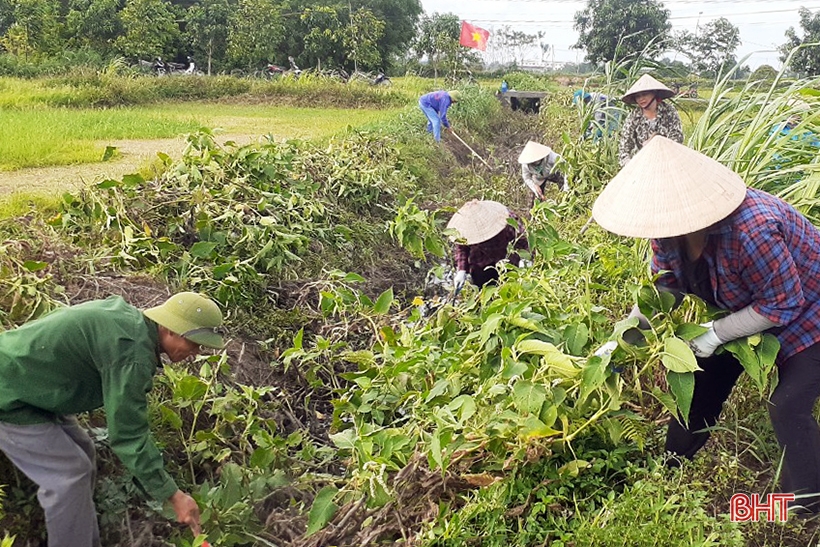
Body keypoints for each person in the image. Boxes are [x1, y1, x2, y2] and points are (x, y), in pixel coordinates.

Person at [592, 135, 820, 515]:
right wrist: (620, 341)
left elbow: (783, 304)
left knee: (787, 404)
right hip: (747, 309)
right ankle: (669, 469)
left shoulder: (751, 229)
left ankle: (808, 505)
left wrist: (716, 334)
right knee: (700, 384)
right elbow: (663, 291)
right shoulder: (666, 234)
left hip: (810, 310)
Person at [0, 291, 225, 546]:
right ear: (170, 329)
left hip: (31, 388)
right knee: (70, 474)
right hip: (9, 396)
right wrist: (173, 496)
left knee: (84, 452)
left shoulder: (129, 323)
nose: (195, 352)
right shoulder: (132, 354)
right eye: (193, 343)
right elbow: (128, 435)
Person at [447, 200, 529, 289]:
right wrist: (461, 270)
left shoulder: (504, 216)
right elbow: (462, 247)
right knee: (485, 293)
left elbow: (522, 238)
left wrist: (525, 258)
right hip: (480, 262)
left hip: (507, 259)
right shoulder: (464, 227)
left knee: (511, 290)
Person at [618, 74, 683, 167]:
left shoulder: (669, 112)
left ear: (654, 93)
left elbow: (676, 140)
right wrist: (632, 166)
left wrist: (656, 141)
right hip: (641, 165)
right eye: (638, 96)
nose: (641, 99)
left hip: (668, 162)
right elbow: (624, 150)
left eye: (644, 94)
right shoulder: (633, 117)